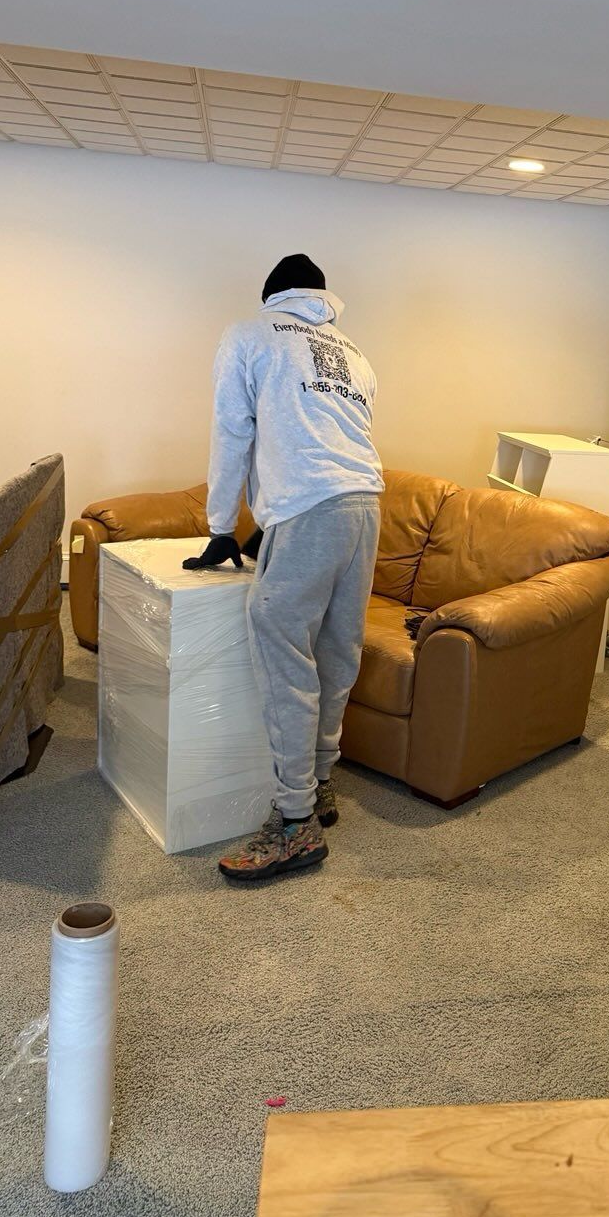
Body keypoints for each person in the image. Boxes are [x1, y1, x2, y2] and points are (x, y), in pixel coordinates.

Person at [184, 253, 383, 882]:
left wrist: (220, 524)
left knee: (282, 649)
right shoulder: (354, 351)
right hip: (366, 501)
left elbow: (231, 430)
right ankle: (321, 782)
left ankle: (294, 822)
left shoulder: (249, 335)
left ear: (271, 296)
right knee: (335, 649)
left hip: (308, 504)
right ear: (321, 298)